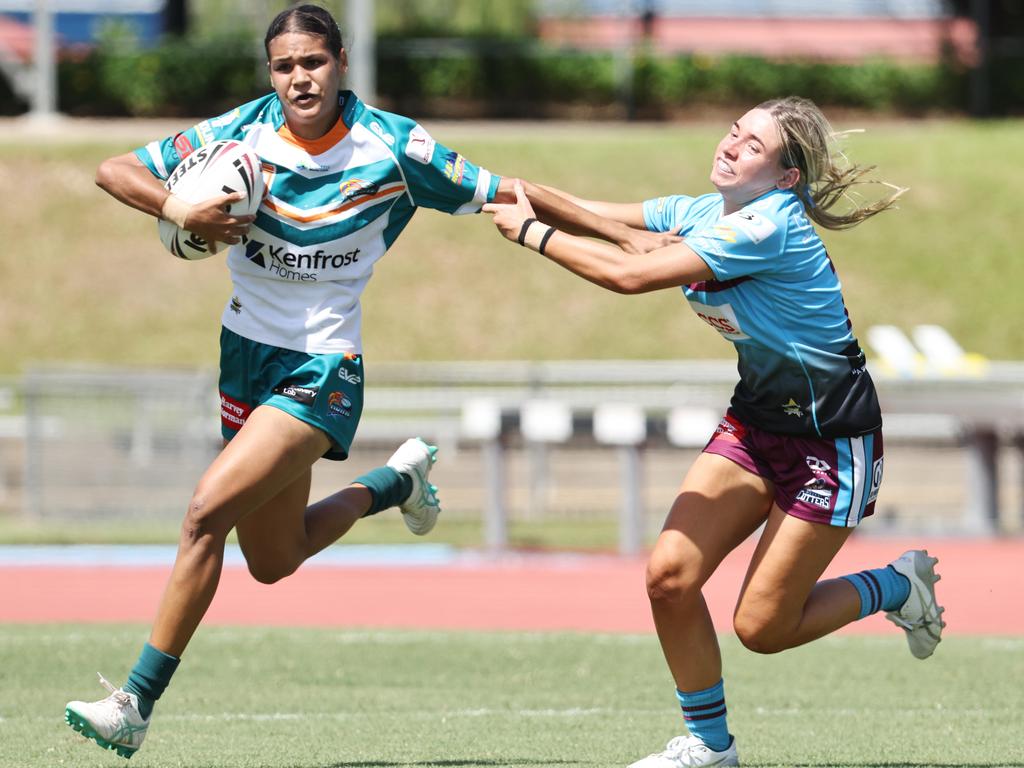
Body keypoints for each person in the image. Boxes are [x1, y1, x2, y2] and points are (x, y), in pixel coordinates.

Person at [61, 4, 535, 759]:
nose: (299, 78)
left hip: (324, 367)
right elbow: (112, 169)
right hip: (246, 354)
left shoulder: (395, 145)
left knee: (203, 512)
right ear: (270, 72)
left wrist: (632, 231)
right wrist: (180, 205)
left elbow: (506, 191)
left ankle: (134, 704)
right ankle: (396, 483)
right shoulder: (237, 132)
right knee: (274, 560)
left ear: (340, 61)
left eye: (312, 62)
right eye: (284, 66)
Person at [484, 96, 945, 768]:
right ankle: (710, 746)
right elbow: (606, 219)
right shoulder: (704, 211)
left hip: (831, 445)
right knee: (669, 577)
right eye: (734, 131)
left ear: (786, 177)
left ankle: (897, 587)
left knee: (761, 628)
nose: (730, 146)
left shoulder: (767, 228)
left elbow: (632, 272)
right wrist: (475, 183)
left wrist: (530, 233)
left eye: (752, 145)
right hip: (755, 424)